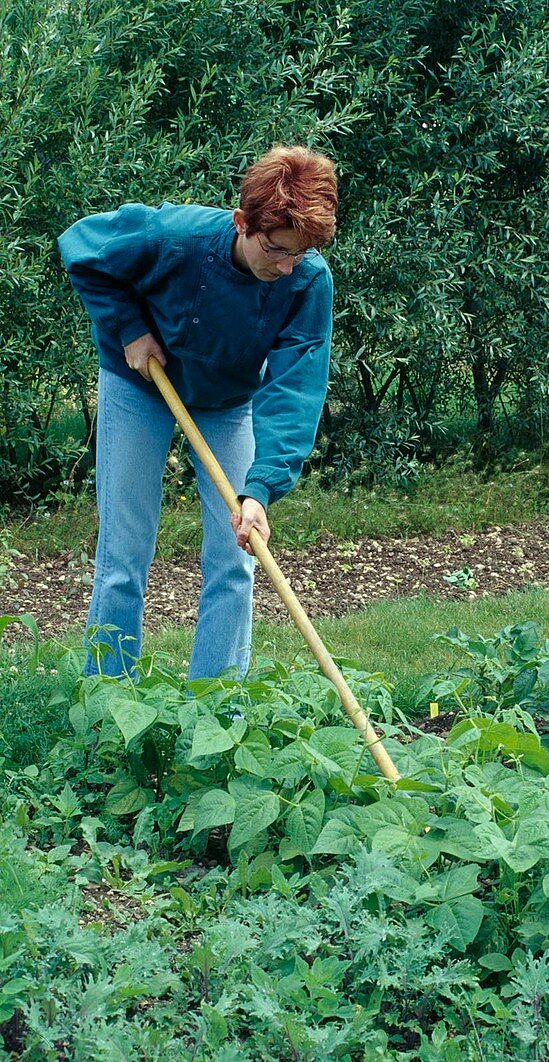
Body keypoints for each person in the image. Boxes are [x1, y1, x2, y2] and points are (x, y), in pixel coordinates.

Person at [58, 145, 337, 679]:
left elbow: (295, 386)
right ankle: (107, 706)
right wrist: (129, 328)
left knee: (238, 556)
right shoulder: (172, 237)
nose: (285, 266)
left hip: (227, 404)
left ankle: (216, 714)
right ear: (241, 223)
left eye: (298, 254)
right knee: (124, 556)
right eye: (277, 250)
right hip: (140, 388)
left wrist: (261, 487)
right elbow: (83, 250)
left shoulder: (306, 281)